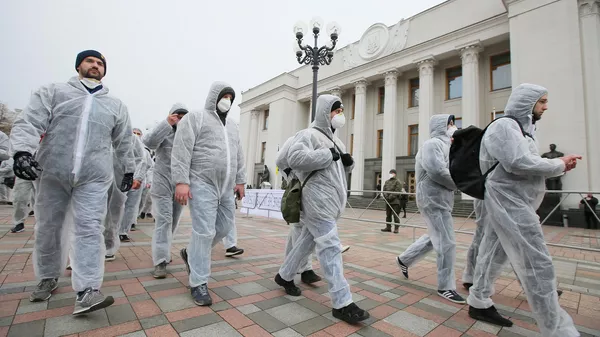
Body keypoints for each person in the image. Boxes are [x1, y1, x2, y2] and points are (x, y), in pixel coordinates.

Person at [9, 50, 135, 315]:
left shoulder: (115, 105)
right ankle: (47, 276)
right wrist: (22, 151)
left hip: (94, 176)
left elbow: (124, 144)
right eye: (90, 61)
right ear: (79, 65)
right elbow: (30, 122)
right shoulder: (54, 92)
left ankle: (88, 290)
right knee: (49, 225)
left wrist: (127, 171)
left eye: (101, 64)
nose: (95, 66)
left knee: (89, 228)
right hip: (53, 170)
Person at [466, 84, 581, 336]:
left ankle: (479, 300)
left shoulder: (523, 130)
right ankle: (558, 330)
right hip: (509, 201)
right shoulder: (504, 126)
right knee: (537, 260)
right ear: (527, 103)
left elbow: (527, 164)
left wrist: (558, 166)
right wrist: (558, 163)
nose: (546, 106)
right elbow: (519, 163)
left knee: (494, 252)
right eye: (542, 101)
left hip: (515, 200)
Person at [273, 95, 369, 324]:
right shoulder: (308, 135)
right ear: (324, 112)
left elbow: (336, 171)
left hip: (331, 203)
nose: (340, 115)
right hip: (316, 201)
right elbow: (295, 158)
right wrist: (328, 155)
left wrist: (348, 162)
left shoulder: (338, 141)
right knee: (330, 248)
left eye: (341, 110)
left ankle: (285, 275)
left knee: (306, 242)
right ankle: (342, 302)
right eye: (336, 110)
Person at [172, 82, 246, 307]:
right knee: (204, 231)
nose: (227, 101)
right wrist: (181, 181)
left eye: (230, 98)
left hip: (225, 186)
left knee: (223, 227)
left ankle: (191, 252)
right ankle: (198, 282)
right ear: (214, 97)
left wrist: (240, 180)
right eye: (223, 96)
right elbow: (182, 148)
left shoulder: (232, 126)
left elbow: (238, 154)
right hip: (201, 182)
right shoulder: (195, 118)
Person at [395, 114, 465, 304]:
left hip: (441, 199)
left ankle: (404, 259)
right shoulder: (432, 144)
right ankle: (446, 286)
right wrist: (461, 183)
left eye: (453, 122)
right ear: (440, 126)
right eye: (450, 123)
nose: (453, 126)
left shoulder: (448, 146)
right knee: (447, 241)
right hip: (432, 200)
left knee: (435, 237)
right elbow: (437, 171)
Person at [143, 103, 189, 279]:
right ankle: (160, 261)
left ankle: (163, 250)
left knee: (173, 222)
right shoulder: (165, 130)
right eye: (178, 115)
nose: (181, 119)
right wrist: (166, 123)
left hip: (180, 185)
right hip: (162, 183)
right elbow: (148, 142)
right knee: (164, 220)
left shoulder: (189, 135)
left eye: (185, 116)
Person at [118, 134, 148, 240]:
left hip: (135, 181)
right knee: (117, 206)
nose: (136, 135)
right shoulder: (118, 141)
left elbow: (144, 162)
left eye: (138, 133)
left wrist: (138, 178)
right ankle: (112, 231)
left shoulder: (144, 150)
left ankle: (123, 231)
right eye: (134, 132)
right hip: (119, 179)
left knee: (130, 207)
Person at [381, 169, 403, 233]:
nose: (391, 174)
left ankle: (396, 228)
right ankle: (388, 227)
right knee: (388, 215)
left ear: (395, 174)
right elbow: (384, 190)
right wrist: (386, 197)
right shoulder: (387, 181)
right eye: (390, 173)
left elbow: (397, 191)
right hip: (388, 201)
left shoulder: (397, 181)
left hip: (395, 201)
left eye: (392, 173)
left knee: (395, 215)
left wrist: (390, 197)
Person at [138, 152, 154, 220]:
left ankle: (143, 212)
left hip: (147, 182)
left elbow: (150, 169)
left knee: (147, 200)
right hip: (140, 180)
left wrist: (149, 181)